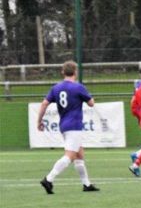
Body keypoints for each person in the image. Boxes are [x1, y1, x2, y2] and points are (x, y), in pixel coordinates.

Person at [36, 61, 99, 194]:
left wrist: (39, 121)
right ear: (75, 72)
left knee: (79, 155)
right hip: (74, 126)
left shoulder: (56, 88)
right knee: (69, 156)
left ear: (62, 72)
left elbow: (44, 104)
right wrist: (87, 96)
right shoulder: (78, 87)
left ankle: (86, 184)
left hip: (64, 125)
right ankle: (49, 179)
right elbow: (91, 103)